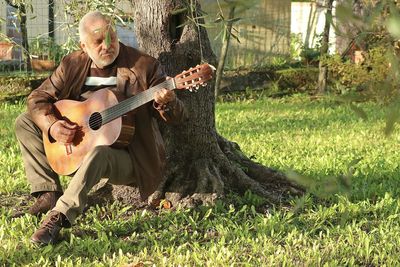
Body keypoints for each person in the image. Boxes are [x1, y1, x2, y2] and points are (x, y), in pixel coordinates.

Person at [14, 11, 187, 245]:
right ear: (83, 46)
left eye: (112, 38)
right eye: (98, 42)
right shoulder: (72, 64)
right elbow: (37, 98)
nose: (107, 46)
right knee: (25, 122)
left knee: (99, 153)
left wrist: (168, 103)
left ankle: (58, 216)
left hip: (129, 157)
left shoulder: (144, 66)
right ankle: (48, 193)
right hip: (80, 145)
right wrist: (53, 126)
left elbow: (179, 117)